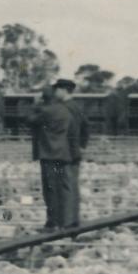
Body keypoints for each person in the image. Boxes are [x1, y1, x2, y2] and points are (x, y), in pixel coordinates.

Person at [29, 84, 74, 231]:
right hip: (63, 154)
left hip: (49, 155)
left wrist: (35, 104)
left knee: (50, 190)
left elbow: (29, 119)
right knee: (62, 189)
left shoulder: (45, 111)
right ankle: (64, 221)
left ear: (44, 98)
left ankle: (52, 222)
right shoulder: (65, 110)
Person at [53, 79, 89, 227]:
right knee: (73, 187)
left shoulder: (62, 108)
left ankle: (65, 223)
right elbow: (86, 126)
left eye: (57, 89)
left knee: (64, 187)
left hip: (63, 153)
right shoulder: (76, 107)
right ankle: (73, 220)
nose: (55, 92)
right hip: (74, 153)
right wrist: (81, 146)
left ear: (63, 90)